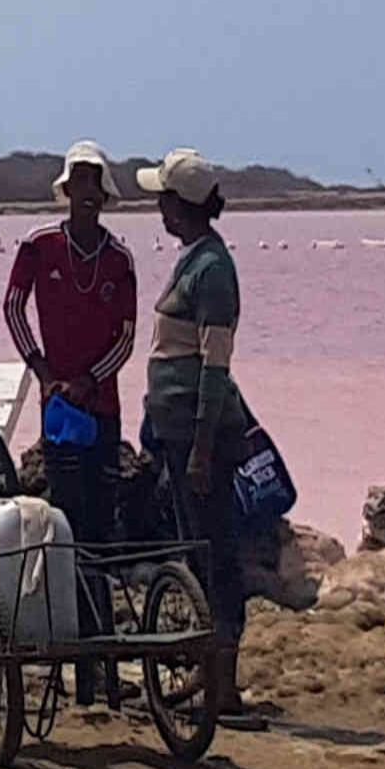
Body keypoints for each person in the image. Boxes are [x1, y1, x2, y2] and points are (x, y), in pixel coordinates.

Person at [5, 141, 142, 697]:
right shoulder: (39, 246)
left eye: (95, 182)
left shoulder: (119, 259)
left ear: (104, 195)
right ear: (66, 190)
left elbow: (127, 339)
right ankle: (78, 663)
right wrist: (42, 371)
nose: (87, 192)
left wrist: (89, 381)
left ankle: (101, 663)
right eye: (78, 181)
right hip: (59, 411)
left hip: (101, 411)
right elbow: (12, 308)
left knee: (100, 534)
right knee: (64, 527)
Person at [138, 153, 257, 722]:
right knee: (196, 549)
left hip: (198, 437)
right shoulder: (192, 259)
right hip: (177, 432)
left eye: (163, 198)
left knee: (215, 553)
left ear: (180, 206)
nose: (158, 207)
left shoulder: (213, 270)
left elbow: (215, 366)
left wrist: (203, 450)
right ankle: (207, 671)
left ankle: (223, 685)